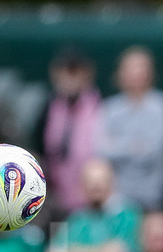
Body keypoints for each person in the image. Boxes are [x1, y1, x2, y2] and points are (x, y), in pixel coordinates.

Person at [95, 46, 163, 211]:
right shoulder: (110, 109)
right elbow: (101, 149)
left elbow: (154, 152)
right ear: (120, 73)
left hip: (155, 198)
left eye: (141, 68)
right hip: (118, 201)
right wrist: (135, 146)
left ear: (151, 73)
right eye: (130, 68)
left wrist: (118, 146)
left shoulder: (162, 107)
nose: (136, 73)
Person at [33, 47, 102, 224]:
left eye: (75, 71)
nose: (70, 78)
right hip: (55, 198)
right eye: (65, 71)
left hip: (91, 199)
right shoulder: (49, 107)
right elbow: (38, 148)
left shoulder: (101, 108)